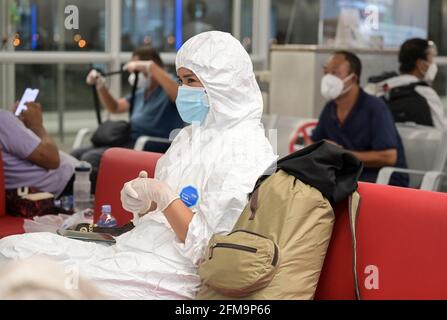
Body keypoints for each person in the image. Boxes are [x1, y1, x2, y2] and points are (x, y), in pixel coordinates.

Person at [0, 31, 277, 300]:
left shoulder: (247, 149)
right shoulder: (189, 136)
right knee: (11, 250)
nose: (182, 90)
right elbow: (161, 214)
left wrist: (163, 195)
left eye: (190, 80)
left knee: (36, 280)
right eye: (180, 80)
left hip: (175, 270)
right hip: (136, 248)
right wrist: (144, 206)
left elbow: (207, 249)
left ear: (223, 82)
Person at [72, 47, 184, 189]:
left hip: (149, 144)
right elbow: (115, 107)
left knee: (91, 159)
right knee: (77, 154)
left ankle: (97, 199)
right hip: (128, 141)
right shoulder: (141, 92)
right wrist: (101, 86)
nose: (135, 74)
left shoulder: (169, 88)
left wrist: (151, 67)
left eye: (139, 69)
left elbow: (179, 97)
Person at [311, 51, 409, 187]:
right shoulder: (330, 108)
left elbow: (389, 157)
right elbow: (314, 142)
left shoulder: (375, 108)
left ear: (352, 78)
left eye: (334, 73)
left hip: (381, 183)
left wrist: (342, 155)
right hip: (345, 180)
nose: (328, 78)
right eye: (325, 72)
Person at [0, 102, 78, 198]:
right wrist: (37, 126)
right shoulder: (2, 120)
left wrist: (16, 124)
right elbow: (52, 160)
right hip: (65, 185)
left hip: (67, 178)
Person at [375, 39, 445, 129]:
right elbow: (441, 130)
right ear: (420, 64)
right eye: (431, 60)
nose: (433, 65)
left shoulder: (383, 86)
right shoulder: (426, 93)